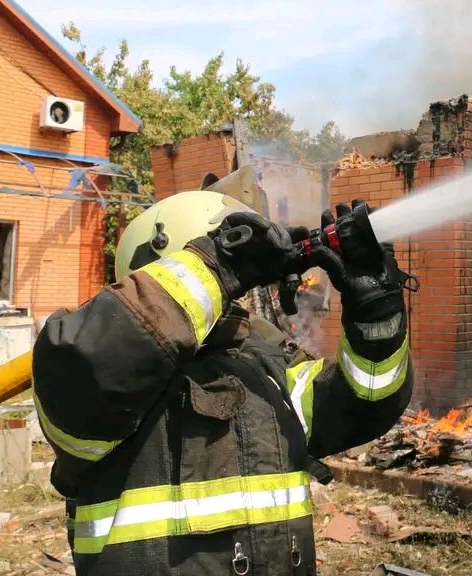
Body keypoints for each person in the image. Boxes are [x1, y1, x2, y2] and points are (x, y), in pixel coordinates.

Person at [32, 189, 412, 575]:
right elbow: (96, 356)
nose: (243, 296)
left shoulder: (266, 371)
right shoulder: (106, 381)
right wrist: (220, 263)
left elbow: (367, 398)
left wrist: (375, 310)